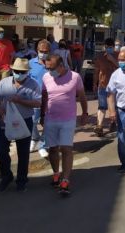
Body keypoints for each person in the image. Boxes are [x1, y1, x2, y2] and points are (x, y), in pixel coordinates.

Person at [0, 58, 41, 193]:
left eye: (22, 72)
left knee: (23, 153)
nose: (19, 74)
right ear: (12, 70)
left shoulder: (33, 84)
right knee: (0, 150)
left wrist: (21, 101)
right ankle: (6, 176)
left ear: (27, 72)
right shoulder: (4, 83)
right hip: (5, 121)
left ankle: (22, 180)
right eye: (17, 71)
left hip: (24, 121)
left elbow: (38, 103)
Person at [41, 54, 88, 197]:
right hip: (50, 119)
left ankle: (65, 180)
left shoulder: (75, 77)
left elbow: (82, 96)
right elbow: (44, 96)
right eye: (47, 68)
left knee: (66, 149)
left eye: (52, 68)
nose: (49, 71)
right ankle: (56, 174)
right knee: (53, 149)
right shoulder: (46, 77)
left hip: (68, 120)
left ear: (61, 66)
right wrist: (42, 115)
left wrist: (85, 112)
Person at [28, 40, 51, 158]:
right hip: (34, 97)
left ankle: (43, 145)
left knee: (48, 123)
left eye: (45, 52)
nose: (43, 53)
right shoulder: (30, 63)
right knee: (32, 121)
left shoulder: (53, 63)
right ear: (37, 50)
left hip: (50, 98)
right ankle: (35, 138)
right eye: (41, 51)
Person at [93, 38, 119, 136]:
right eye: (107, 47)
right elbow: (96, 72)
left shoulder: (118, 55)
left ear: (113, 47)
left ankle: (113, 123)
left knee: (114, 107)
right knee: (102, 106)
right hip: (103, 85)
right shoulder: (100, 57)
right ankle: (99, 126)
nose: (109, 49)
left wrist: (112, 60)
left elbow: (122, 68)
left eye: (110, 47)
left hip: (115, 87)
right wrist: (94, 83)